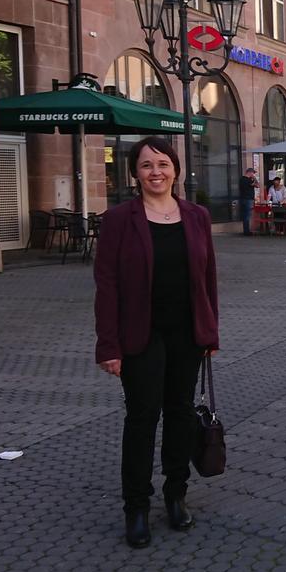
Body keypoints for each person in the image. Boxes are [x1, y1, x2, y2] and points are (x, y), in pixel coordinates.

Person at [94, 136, 220, 549]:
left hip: (186, 332)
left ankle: (176, 493)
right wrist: (108, 345)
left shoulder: (196, 216)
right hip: (141, 334)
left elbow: (208, 280)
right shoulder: (117, 220)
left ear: (176, 170)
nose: (155, 172)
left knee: (181, 414)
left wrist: (210, 331)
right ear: (134, 173)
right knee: (142, 418)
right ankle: (137, 506)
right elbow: (107, 286)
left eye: (163, 164)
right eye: (146, 165)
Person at [238, 167, 259, 235]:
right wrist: (254, 178)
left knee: (244, 215)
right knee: (247, 215)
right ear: (249, 172)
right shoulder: (248, 180)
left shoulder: (241, 179)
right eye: (253, 173)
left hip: (242, 199)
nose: (253, 174)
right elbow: (257, 185)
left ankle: (245, 230)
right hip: (248, 199)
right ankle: (246, 231)